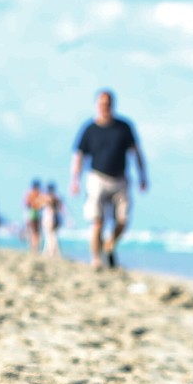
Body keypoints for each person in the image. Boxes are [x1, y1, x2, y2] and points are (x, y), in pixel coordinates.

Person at [69, 89, 147, 270]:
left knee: (123, 220)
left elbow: (137, 152)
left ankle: (109, 244)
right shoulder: (89, 129)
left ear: (113, 105)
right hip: (97, 177)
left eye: (108, 104)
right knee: (97, 220)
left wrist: (143, 175)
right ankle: (96, 259)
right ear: (97, 105)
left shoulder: (124, 127)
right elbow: (79, 156)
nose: (105, 107)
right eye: (102, 104)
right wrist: (74, 180)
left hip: (120, 179)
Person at [23, 181, 45, 252]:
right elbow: (42, 205)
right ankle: (36, 247)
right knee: (37, 232)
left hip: (30, 213)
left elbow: (25, 204)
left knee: (31, 231)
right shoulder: (39, 194)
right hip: (36, 213)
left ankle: (32, 247)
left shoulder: (29, 193)